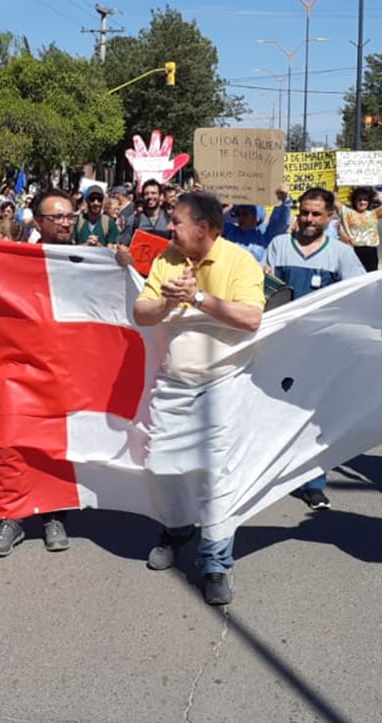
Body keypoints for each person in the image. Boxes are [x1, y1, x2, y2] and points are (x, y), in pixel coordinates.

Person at [134, 191, 265, 606]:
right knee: (161, 465)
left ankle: (215, 563)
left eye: (177, 221)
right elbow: (141, 313)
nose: (169, 228)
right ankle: (177, 528)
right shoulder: (166, 260)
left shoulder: (239, 261)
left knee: (216, 475)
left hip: (222, 386)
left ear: (204, 229)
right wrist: (168, 300)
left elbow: (251, 318)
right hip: (173, 386)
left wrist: (198, 299)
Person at [0, 188, 76, 557]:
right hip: (17, 368)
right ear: (38, 222)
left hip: (64, 368)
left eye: (70, 216)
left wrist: (120, 263)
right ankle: (12, 518)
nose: (66, 223)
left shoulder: (87, 258)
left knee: (53, 445)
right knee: (12, 443)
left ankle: (53, 515)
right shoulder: (13, 259)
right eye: (58, 217)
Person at [263, 188, 366, 509]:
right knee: (278, 413)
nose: (307, 219)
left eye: (315, 214)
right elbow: (263, 293)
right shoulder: (279, 246)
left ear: (329, 218)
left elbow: (360, 294)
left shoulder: (341, 255)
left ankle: (314, 482)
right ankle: (275, 477)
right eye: (304, 212)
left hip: (323, 350)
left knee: (317, 418)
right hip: (281, 347)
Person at [223, 185, 291, 263]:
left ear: (257, 216)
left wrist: (284, 200)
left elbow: (280, 221)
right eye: (238, 214)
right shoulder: (230, 231)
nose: (241, 218)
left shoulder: (265, 234)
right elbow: (212, 222)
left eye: (245, 214)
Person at [338, 186, 382, 272]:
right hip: (354, 250)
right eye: (359, 200)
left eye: (365, 200)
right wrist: (337, 185)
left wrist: (378, 196)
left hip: (371, 251)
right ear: (354, 201)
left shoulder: (374, 214)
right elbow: (334, 201)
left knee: (370, 278)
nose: (362, 202)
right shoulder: (347, 213)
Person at [119, 179, 171, 245]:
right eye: (146, 194)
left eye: (153, 193)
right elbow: (122, 245)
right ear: (143, 197)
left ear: (161, 196)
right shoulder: (134, 221)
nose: (150, 196)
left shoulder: (170, 221)